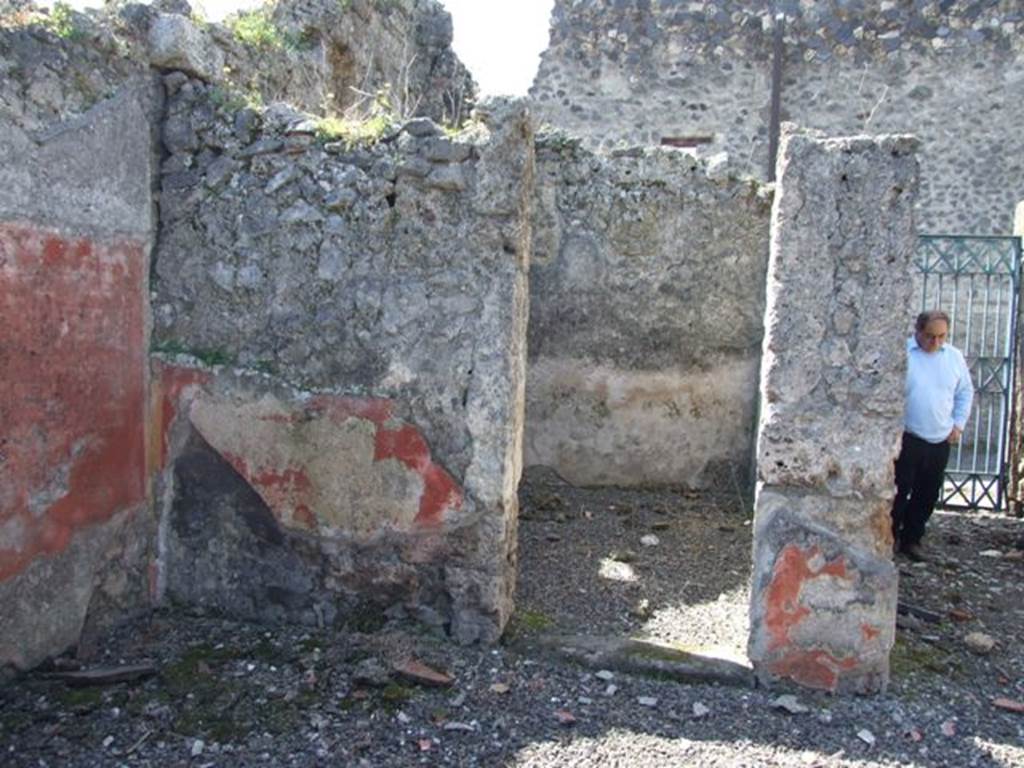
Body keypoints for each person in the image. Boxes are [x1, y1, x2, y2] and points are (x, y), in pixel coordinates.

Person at [891, 309, 974, 562]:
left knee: (928, 492)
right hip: (909, 436)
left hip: (940, 438)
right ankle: (890, 537)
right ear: (918, 331)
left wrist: (958, 424)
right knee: (899, 489)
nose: (935, 342)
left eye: (941, 337)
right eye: (930, 336)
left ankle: (913, 539)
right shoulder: (903, 354)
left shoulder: (954, 358)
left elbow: (965, 392)